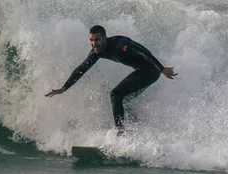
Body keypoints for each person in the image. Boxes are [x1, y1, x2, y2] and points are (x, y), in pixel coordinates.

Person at [45, 25, 177, 132]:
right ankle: (135, 128)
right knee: (121, 101)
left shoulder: (120, 44)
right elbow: (81, 69)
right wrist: (64, 88)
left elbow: (143, 53)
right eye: (91, 40)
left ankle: (121, 132)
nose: (93, 43)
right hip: (144, 72)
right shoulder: (96, 53)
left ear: (105, 38)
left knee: (115, 94)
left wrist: (161, 69)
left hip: (151, 70)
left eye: (96, 39)